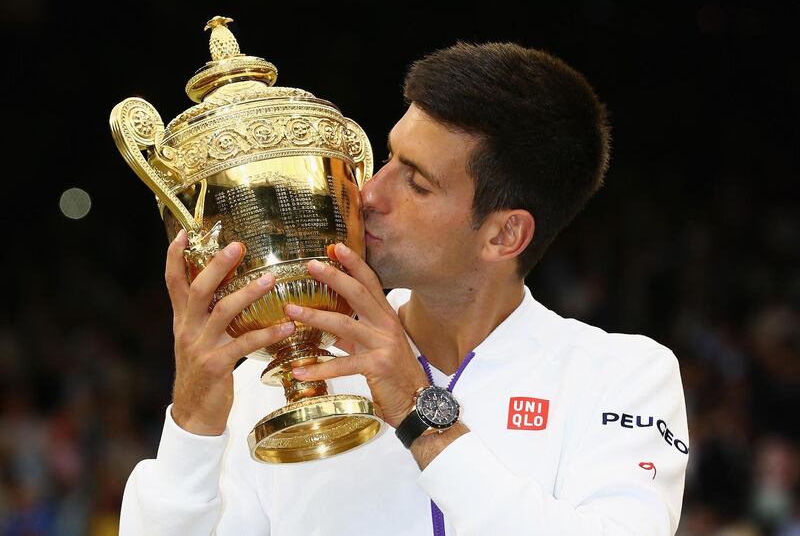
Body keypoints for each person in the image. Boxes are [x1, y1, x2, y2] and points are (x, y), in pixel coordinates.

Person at [120, 42, 689, 535]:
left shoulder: (622, 375)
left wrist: (420, 415)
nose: (369, 193)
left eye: (416, 182)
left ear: (504, 234)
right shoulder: (289, 372)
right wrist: (192, 423)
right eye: (388, 157)